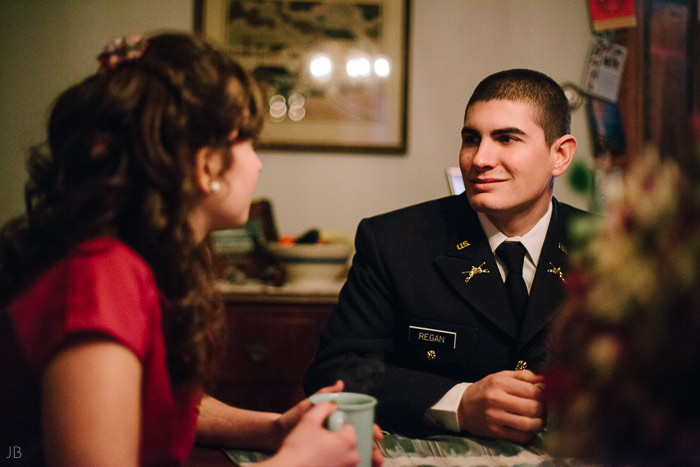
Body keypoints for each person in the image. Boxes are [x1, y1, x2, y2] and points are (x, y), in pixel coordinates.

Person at [0, 32, 381, 467]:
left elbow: (161, 402)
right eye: (249, 143)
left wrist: (275, 429)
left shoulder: (143, 259)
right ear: (205, 166)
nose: (258, 163)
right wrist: (297, 462)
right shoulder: (101, 276)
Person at [304, 68, 587, 443]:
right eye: (472, 139)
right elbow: (334, 372)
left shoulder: (612, 247)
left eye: (506, 139)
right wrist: (459, 403)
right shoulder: (395, 242)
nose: (480, 158)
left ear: (560, 155)